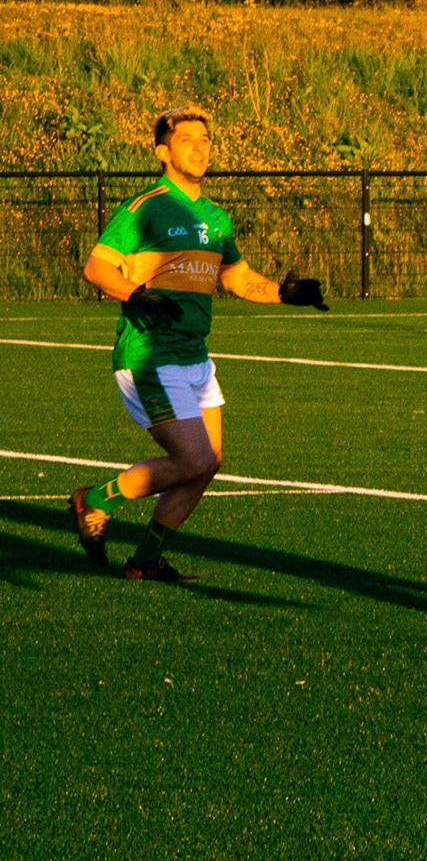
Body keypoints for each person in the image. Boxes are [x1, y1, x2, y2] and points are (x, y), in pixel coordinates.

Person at [68, 106, 329, 581]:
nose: (200, 147)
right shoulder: (145, 207)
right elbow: (97, 267)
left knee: (208, 465)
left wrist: (285, 294)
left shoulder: (215, 217)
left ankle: (145, 561)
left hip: (194, 356)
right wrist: (136, 294)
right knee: (195, 458)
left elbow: (237, 278)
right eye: (187, 139)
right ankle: (97, 499)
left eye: (205, 139)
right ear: (162, 152)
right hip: (150, 353)